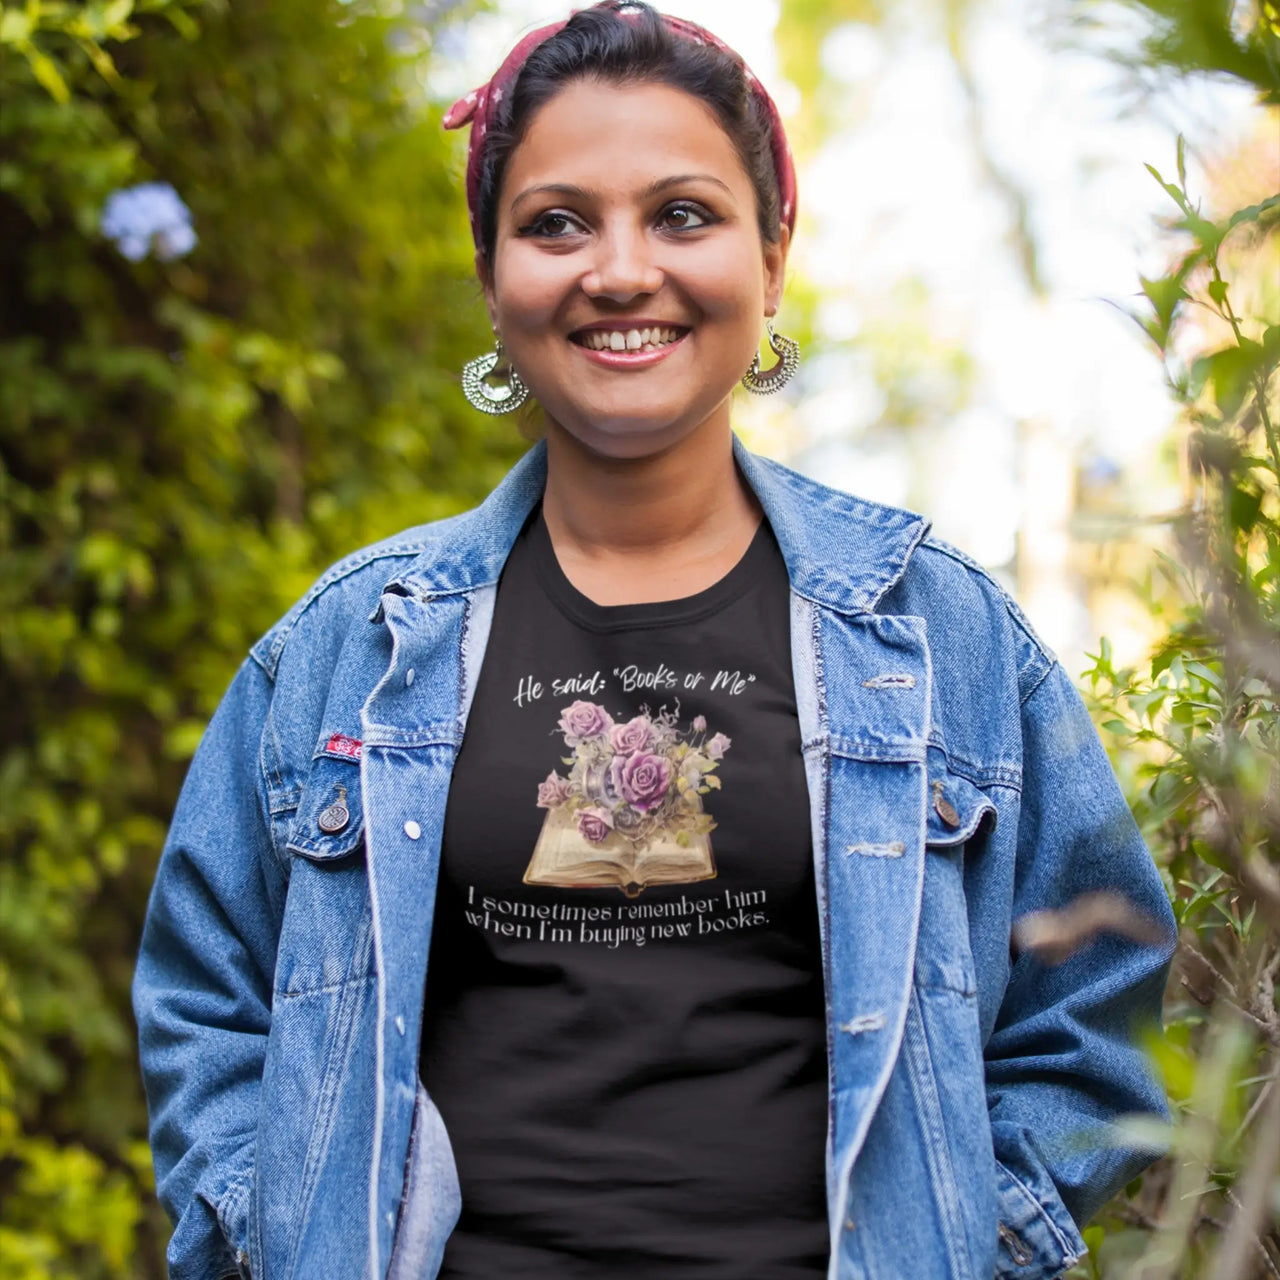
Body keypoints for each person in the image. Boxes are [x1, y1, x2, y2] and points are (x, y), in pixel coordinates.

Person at [132, 4, 1176, 1278]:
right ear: (490, 275)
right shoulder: (347, 644)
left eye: (682, 213)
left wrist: (981, 1240)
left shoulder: (941, 630)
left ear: (772, 255)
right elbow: (204, 998)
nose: (620, 269)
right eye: (556, 221)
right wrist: (268, 1231)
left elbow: (1092, 1001)